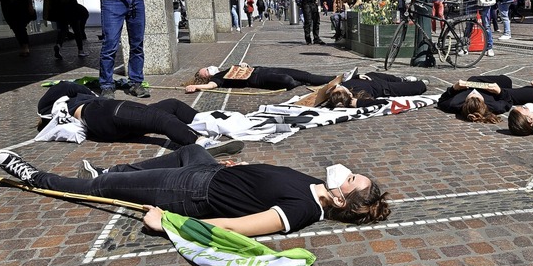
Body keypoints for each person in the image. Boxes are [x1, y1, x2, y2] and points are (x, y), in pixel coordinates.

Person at [0, 146, 391, 236]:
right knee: (189, 148)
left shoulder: (303, 209)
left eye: (353, 179)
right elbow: (263, 180)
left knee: (102, 187)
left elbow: (234, 228)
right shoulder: (316, 185)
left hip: (186, 192)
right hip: (209, 170)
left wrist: (168, 222)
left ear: (340, 199)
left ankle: (35, 178)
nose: (349, 172)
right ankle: (113, 170)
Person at [34, 80, 244, 156]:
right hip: (102, 111)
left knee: (171, 104)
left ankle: (204, 121)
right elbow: (69, 86)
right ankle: (201, 143)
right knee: (158, 119)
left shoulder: (61, 112)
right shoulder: (72, 101)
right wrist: (91, 94)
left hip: (103, 123)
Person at [438, 75, 533, 123]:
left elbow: (441, 100)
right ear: (484, 103)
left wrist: (454, 88)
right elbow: (508, 102)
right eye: (476, 95)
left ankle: (505, 85)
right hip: (493, 92)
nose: (474, 92)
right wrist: (500, 91)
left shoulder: (454, 104)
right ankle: (507, 87)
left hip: (477, 81)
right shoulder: (494, 106)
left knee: (506, 80)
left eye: (471, 95)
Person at [185, 64, 336, 93]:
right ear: (205, 76)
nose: (209, 68)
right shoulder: (218, 78)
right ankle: (300, 83)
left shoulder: (224, 69)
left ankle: (334, 78)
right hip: (258, 78)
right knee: (287, 81)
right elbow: (211, 86)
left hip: (261, 69)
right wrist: (197, 87)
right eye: (205, 70)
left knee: (304, 75)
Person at [325, 73, 427, 109]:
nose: (339, 86)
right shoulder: (356, 98)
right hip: (384, 88)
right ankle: (416, 83)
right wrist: (357, 103)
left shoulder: (340, 88)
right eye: (340, 88)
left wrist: (357, 76)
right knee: (416, 87)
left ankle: (402, 80)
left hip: (371, 76)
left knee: (394, 79)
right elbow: (382, 102)